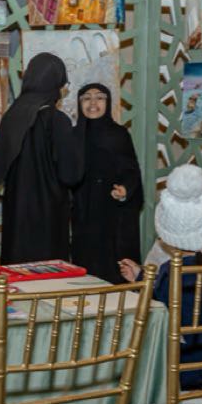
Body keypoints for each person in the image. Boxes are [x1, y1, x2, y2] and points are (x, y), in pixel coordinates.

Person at [119, 164, 202, 393]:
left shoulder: (173, 270)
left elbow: (161, 299)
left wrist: (142, 280)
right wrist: (141, 274)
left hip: (187, 365)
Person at [0, 53, 84, 264]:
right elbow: (71, 175)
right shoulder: (57, 120)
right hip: (48, 213)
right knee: (46, 273)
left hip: (16, 209)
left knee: (17, 270)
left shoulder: (12, 116)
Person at [70, 83, 143, 283]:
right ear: (79, 104)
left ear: (108, 102)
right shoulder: (73, 135)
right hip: (83, 211)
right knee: (85, 266)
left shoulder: (119, 134)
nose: (93, 103)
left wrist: (126, 189)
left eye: (100, 97)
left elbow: (132, 171)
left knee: (114, 267)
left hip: (113, 213)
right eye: (86, 98)